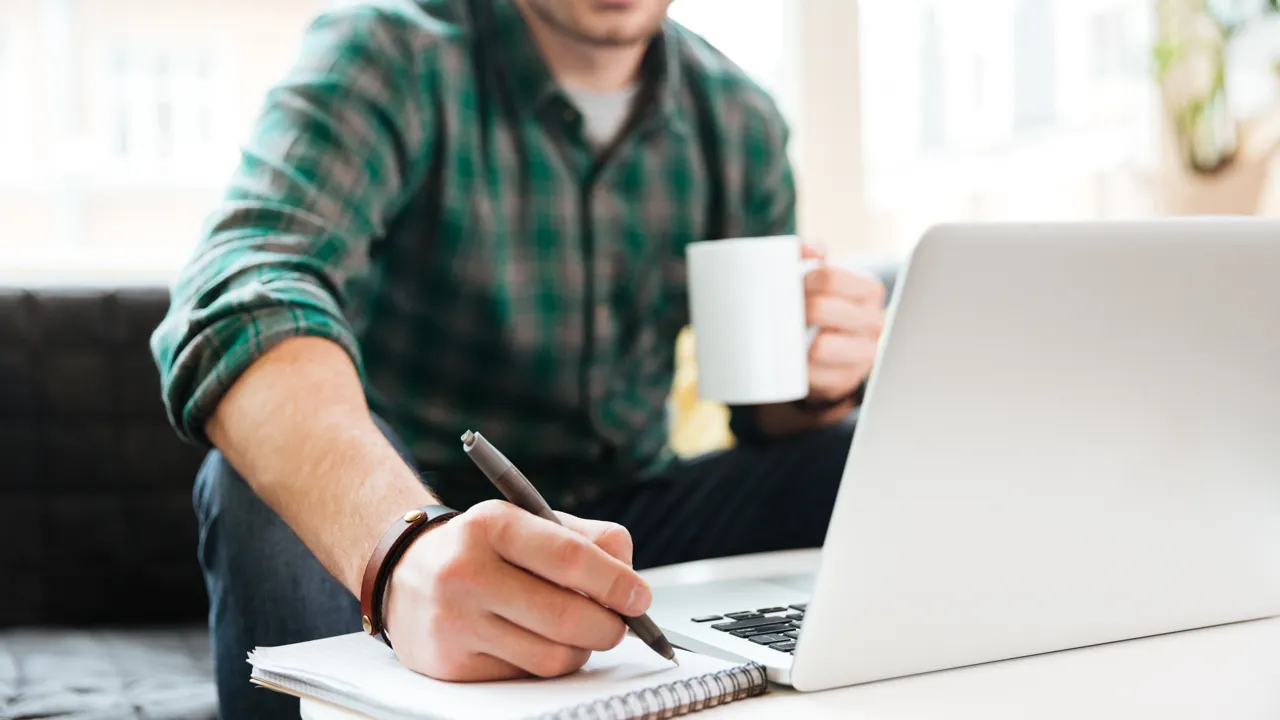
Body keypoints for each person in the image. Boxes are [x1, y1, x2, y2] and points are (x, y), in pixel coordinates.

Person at [151, 0, 887, 716]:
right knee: (252, 485)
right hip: (419, 511)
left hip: (629, 525)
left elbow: (766, 419)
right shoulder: (389, 51)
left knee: (864, 458)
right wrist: (403, 546)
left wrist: (821, 377)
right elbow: (240, 290)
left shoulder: (737, 116)